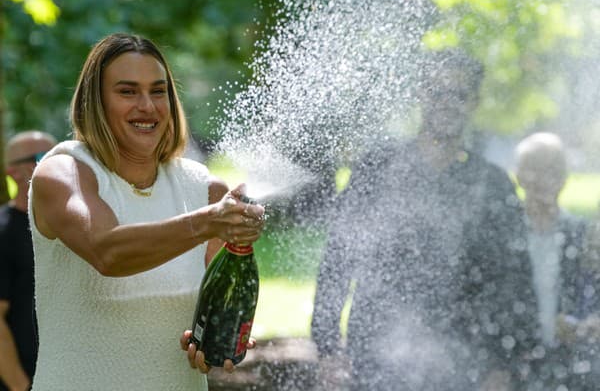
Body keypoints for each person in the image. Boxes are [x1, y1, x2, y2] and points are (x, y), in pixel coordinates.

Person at [28, 33, 265, 390]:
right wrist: (208, 221)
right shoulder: (63, 173)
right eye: (127, 92)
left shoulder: (204, 190)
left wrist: (219, 341)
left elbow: (219, 309)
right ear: (95, 102)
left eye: (158, 91)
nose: (148, 106)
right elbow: (106, 251)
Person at [311, 49, 527, 391]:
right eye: (437, 91)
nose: (447, 102)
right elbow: (338, 258)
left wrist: (501, 365)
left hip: (465, 360)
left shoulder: (493, 184)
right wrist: (328, 349)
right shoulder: (376, 168)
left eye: (459, 93)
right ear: (420, 94)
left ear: (474, 102)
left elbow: (511, 279)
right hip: (375, 352)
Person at [508, 132, 600, 390]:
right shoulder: (502, 234)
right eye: (536, 168)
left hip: (572, 367)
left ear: (565, 177)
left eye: (555, 169)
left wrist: (590, 323)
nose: (547, 178)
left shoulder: (584, 234)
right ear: (518, 175)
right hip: (512, 363)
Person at [0, 131, 56, 391]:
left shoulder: (72, 229)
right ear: (13, 172)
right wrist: (22, 386)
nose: (56, 164)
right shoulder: (4, 231)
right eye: (42, 158)